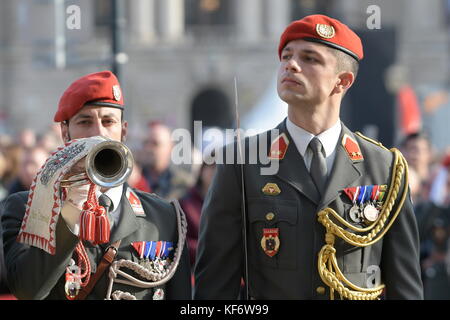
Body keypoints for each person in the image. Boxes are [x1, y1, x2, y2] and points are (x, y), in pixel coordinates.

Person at [194, 15, 423, 300]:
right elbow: (215, 287)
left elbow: (405, 288)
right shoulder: (241, 163)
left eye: (310, 58)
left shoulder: (384, 167)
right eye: (286, 56)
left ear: (342, 81)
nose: (291, 64)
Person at [1, 71, 191, 300]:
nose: (99, 132)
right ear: (65, 132)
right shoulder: (26, 208)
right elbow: (27, 289)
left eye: (109, 121)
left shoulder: (163, 215)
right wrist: (70, 213)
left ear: (124, 131)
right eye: (85, 122)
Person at [140, 121, 194, 200]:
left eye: (155, 143)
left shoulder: (184, 185)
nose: (148, 148)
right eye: (145, 143)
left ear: (170, 148)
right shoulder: (132, 179)